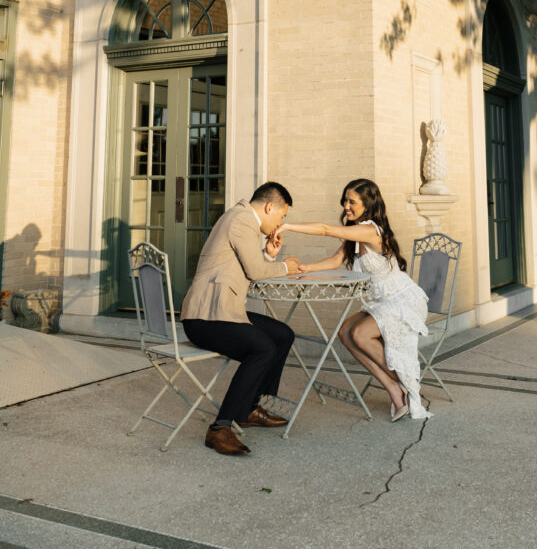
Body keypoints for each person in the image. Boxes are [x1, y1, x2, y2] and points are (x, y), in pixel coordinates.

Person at [277, 178, 431, 421]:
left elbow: (325, 229)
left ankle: (405, 381)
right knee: (345, 333)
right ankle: (394, 388)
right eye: (344, 201)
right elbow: (335, 261)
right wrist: (305, 269)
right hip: (382, 301)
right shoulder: (356, 231)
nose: (346, 206)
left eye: (352, 202)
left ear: (367, 204)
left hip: (402, 300)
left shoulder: (369, 230)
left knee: (359, 334)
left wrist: (287, 226)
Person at [181, 182, 300, 456]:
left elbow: (247, 266)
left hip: (223, 312)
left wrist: (268, 255)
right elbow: (255, 272)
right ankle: (220, 428)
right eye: (281, 216)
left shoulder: (241, 218)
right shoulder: (242, 220)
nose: (280, 223)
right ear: (269, 207)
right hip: (204, 317)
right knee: (263, 348)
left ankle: (249, 409)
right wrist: (285, 266)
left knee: (282, 335)